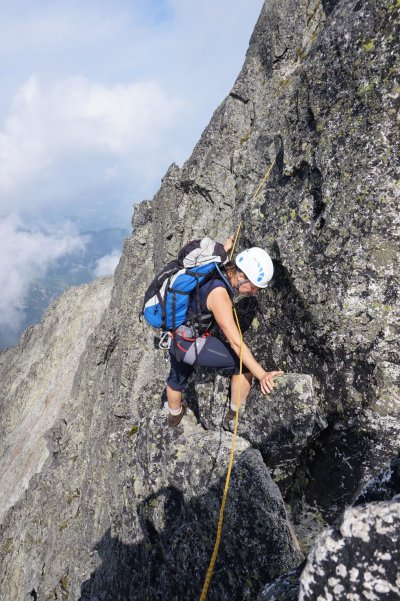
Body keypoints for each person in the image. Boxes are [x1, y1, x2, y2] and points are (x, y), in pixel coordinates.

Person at [166, 236, 283, 427]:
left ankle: (174, 417)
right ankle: (233, 417)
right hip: (191, 343)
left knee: (176, 379)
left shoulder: (217, 265)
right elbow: (236, 342)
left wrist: (226, 245)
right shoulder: (219, 295)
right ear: (242, 276)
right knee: (242, 366)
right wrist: (262, 375)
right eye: (255, 287)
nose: (255, 292)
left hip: (176, 336)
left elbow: (222, 252)